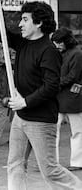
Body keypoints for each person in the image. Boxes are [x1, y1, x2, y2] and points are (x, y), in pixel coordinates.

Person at [0, 1, 82, 189]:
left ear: (39, 23)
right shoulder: (23, 43)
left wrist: (25, 101)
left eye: (25, 19)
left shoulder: (49, 51)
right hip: (20, 118)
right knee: (15, 165)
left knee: (50, 170)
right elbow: (0, 32)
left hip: (40, 120)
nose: (20, 24)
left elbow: (51, 86)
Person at [51, 27, 82, 172]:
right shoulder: (70, 53)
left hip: (69, 96)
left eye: (59, 42)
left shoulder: (77, 54)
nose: (56, 45)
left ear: (66, 41)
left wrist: (54, 84)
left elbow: (73, 76)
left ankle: (74, 161)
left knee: (75, 131)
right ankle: (74, 162)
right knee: (72, 131)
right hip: (68, 96)